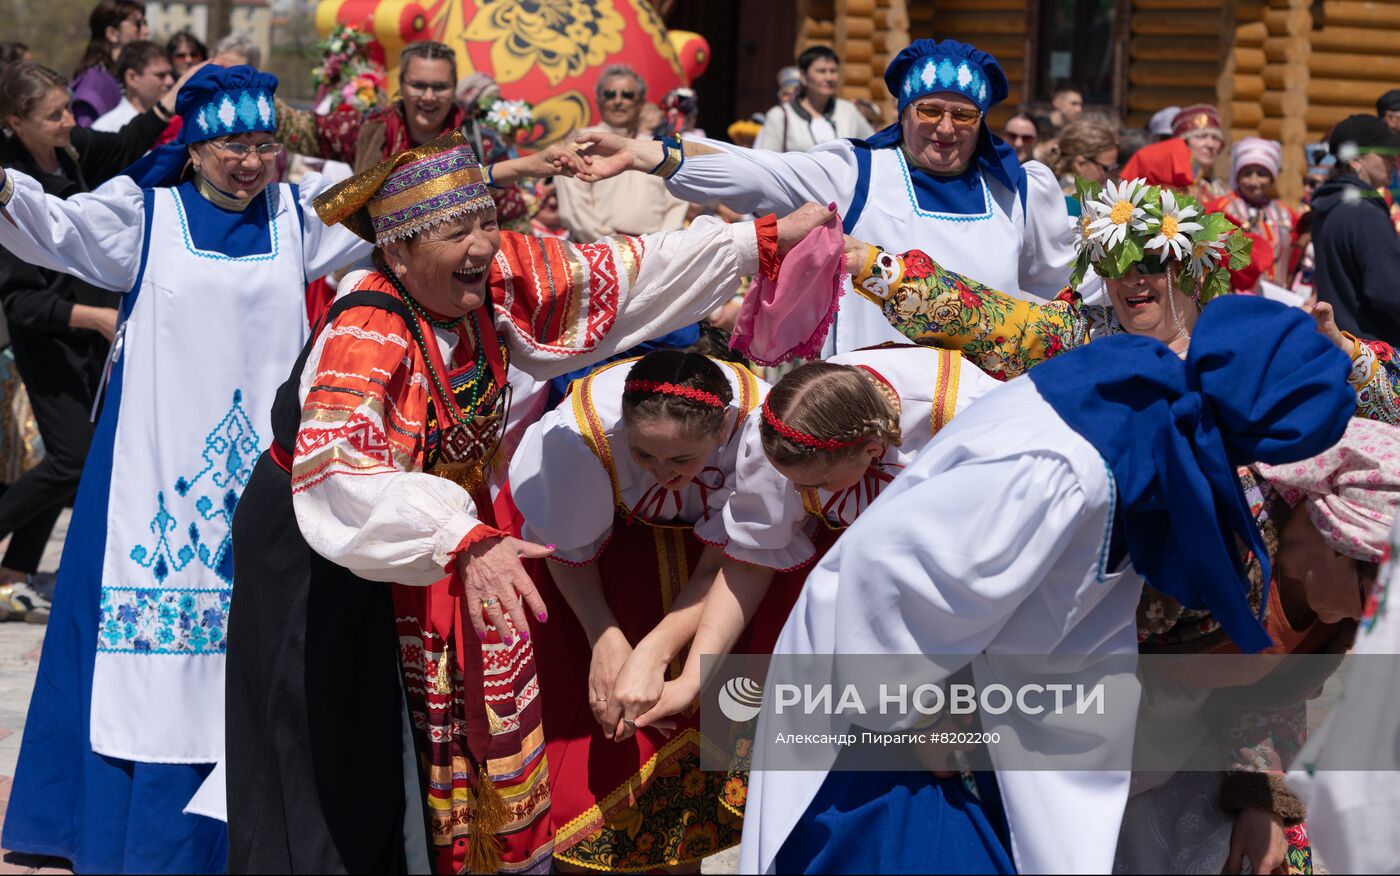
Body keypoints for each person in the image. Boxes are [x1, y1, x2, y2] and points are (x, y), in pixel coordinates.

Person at [222, 131, 835, 873]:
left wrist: (759, 239)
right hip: (322, 550)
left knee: (417, 744)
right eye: (459, 232)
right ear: (401, 251)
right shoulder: (367, 328)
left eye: (486, 221)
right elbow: (339, 470)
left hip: (433, 541)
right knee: (325, 748)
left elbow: (615, 269)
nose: (484, 244)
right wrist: (463, 537)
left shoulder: (482, 279)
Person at [738, 294, 1355, 874]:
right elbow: (891, 586)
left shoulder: (1139, 401)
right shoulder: (1065, 469)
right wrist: (922, 722)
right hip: (879, 725)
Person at [0, 64, 372, 873]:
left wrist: (496, 171)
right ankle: (138, 836)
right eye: (231, 145)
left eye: (263, 145)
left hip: (260, 477)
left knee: (259, 642)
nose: (249, 162)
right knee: (141, 654)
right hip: (157, 468)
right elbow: (55, 229)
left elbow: (385, 215)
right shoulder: (145, 213)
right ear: (195, 148)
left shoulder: (294, 218)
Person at [572, 39, 1078, 355]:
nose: (945, 128)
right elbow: (759, 170)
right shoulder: (856, 172)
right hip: (870, 417)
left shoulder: (1020, 191)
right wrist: (648, 153)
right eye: (929, 111)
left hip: (981, 412)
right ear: (903, 114)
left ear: (980, 121)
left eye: (963, 115)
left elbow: (1058, 289)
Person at [607, 346, 999, 741]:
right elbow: (750, 560)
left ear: (872, 452)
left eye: (815, 487)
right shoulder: (779, 437)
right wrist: (692, 679)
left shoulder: (971, 416)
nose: (796, 493)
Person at [508, 350, 769, 870]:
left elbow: (736, 555)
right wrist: (604, 634)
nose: (662, 474)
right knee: (593, 771)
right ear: (623, 425)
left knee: (695, 790)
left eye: (682, 461)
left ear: (721, 434)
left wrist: (657, 647)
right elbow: (563, 547)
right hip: (605, 571)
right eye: (645, 456)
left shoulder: (758, 435)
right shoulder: (578, 443)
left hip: (716, 582)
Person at [0, 61, 190, 624]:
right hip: (47, 342)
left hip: (86, 341)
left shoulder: (72, 151)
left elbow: (125, 145)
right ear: (15, 122)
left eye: (67, 108)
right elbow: (20, 303)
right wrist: (95, 317)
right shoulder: (11, 187)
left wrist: (169, 103)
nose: (68, 121)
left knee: (72, 460)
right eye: (54, 115)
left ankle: (14, 574)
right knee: (71, 460)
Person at [553, 64, 690, 240]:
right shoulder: (580, 142)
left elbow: (676, 203)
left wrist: (657, 247)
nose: (618, 101)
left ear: (640, 103)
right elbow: (576, 208)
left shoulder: (659, 146)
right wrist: (614, 250)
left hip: (653, 253)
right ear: (599, 101)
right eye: (610, 95)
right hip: (595, 252)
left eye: (627, 95)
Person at [1310, 114, 1400, 344]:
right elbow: (1389, 290)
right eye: (1385, 153)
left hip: (1342, 349)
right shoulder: (1364, 213)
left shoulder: (1331, 205)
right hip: (1377, 358)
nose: (1394, 160)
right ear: (1355, 160)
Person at [1205, 137, 1299, 289]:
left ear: (1272, 178)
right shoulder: (1222, 208)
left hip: (1280, 297)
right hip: (1238, 296)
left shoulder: (1285, 213)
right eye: (1247, 174)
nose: (1254, 182)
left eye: (1262, 174)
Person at [754, 46, 874, 153]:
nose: (829, 77)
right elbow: (767, 163)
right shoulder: (780, 115)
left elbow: (873, 146)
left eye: (833, 71)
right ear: (803, 76)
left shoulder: (848, 111)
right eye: (821, 71)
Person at [1121, 103, 1227, 201]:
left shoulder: (1219, 188)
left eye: (1215, 138)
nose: (1210, 144)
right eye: (1201, 137)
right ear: (1184, 143)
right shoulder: (1164, 185)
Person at [71, 0, 149, 127]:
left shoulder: (120, 77)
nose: (146, 31)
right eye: (138, 24)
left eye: (145, 23)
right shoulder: (95, 81)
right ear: (113, 33)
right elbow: (85, 138)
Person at [92, 41, 174, 133]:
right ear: (132, 78)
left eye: (170, 74)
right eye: (161, 75)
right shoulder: (106, 130)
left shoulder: (181, 122)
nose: (170, 81)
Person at [1045, 114, 1119, 215]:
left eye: (1113, 169)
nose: (1109, 176)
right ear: (1080, 165)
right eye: (1106, 168)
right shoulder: (1070, 204)